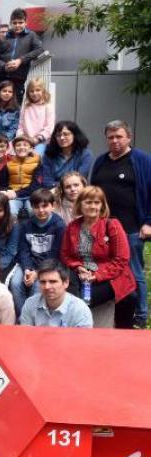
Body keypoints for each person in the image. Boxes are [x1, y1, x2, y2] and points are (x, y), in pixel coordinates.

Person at [88, 120, 150, 329]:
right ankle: (115, 310)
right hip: (103, 228)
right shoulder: (101, 161)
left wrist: (148, 222)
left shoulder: (142, 160)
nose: (114, 141)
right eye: (110, 137)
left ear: (129, 137)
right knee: (108, 269)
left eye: (119, 136)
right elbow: (92, 191)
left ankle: (140, 316)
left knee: (133, 272)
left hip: (131, 228)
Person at [60, 185, 136, 328]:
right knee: (69, 300)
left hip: (109, 276)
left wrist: (97, 275)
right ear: (80, 204)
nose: (93, 206)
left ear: (102, 205)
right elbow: (65, 255)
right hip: (81, 274)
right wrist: (78, 267)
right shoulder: (72, 227)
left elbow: (121, 259)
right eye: (88, 202)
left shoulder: (111, 225)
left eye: (97, 202)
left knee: (84, 302)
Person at [10, 189, 66, 312]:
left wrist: (37, 272)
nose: (41, 210)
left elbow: (55, 253)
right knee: (15, 283)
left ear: (53, 205)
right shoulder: (26, 224)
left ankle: (32, 318)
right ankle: (23, 317)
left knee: (37, 287)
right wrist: (27, 269)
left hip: (49, 264)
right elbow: (23, 250)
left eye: (45, 206)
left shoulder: (59, 225)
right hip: (28, 263)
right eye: (36, 207)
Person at [0, 8, 44, 103]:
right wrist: (4, 66)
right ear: (10, 23)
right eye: (14, 23)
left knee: (15, 108)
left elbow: (39, 50)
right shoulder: (3, 38)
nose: (17, 25)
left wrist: (20, 61)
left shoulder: (31, 35)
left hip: (18, 79)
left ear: (26, 22)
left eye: (20, 22)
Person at [20, 260, 93, 328]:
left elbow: (82, 341)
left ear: (66, 283)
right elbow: (25, 338)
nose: (47, 287)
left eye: (53, 281)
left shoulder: (80, 311)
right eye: (43, 282)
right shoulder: (30, 304)